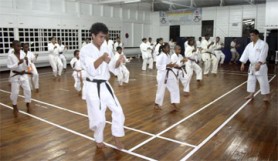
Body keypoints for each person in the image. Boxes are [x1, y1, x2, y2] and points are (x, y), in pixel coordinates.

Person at [80, 22, 125, 149]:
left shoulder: (106, 48)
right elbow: (90, 69)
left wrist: (118, 62)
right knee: (99, 119)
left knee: (118, 111)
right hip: (92, 87)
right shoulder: (85, 50)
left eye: (104, 37)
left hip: (105, 85)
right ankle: (98, 138)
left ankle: (116, 136)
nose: (102, 39)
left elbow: (111, 67)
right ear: (93, 35)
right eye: (100, 36)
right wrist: (101, 58)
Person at [240, 29, 270, 102]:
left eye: (252, 35)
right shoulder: (249, 45)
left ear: (257, 35)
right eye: (250, 35)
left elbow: (263, 54)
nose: (251, 37)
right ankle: (251, 94)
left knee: (263, 81)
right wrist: (243, 63)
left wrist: (259, 63)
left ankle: (266, 96)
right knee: (251, 80)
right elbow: (245, 54)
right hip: (252, 66)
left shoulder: (263, 44)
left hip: (261, 66)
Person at [7, 40, 31, 117]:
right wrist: (17, 63)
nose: (19, 47)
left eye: (20, 46)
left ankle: (28, 103)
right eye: (17, 46)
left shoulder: (23, 53)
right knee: (15, 92)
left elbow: (27, 65)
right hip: (15, 75)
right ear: (13, 46)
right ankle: (14, 105)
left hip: (23, 74)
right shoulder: (10, 56)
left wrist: (27, 61)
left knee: (28, 90)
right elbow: (9, 66)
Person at [154, 43, 180, 111]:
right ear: (163, 49)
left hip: (169, 73)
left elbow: (170, 63)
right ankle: (157, 104)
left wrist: (175, 65)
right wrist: (168, 65)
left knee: (175, 86)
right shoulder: (160, 56)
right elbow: (158, 66)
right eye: (167, 48)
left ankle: (173, 102)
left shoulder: (168, 55)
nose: (168, 49)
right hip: (162, 74)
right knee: (161, 90)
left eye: (169, 47)